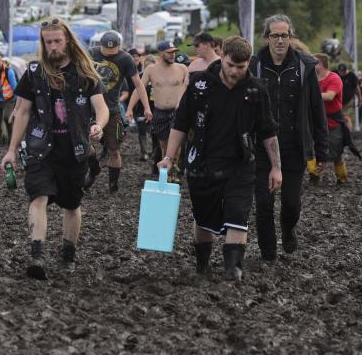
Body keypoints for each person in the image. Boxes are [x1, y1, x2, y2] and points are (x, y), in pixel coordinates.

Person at [158, 36, 280, 281]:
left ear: (249, 63)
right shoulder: (201, 83)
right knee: (204, 218)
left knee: (238, 215)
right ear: (222, 55)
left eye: (241, 67)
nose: (235, 72)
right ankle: (202, 264)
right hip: (202, 162)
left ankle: (233, 270)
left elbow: (267, 131)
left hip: (241, 164)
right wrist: (169, 157)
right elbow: (181, 123)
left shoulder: (257, 89)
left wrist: (276, 167)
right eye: (230, 65)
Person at [0, 18, 108, 277]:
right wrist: (12, 149)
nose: (53, 46)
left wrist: (99, 126)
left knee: (71, 204)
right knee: (38, 197)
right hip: (40, 148)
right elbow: (23, 112)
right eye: (48, 42)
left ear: (68, 40)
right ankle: (37, 256)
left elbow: (101, 108)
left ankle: (67, 255)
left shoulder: (85, 72)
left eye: (57, 41)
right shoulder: (34, 73)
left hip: (74, 150)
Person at [249, 15, 327, 261]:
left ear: (290, 37)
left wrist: (322, 150)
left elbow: (317, 108)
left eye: (285, 35)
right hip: (261, 147)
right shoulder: (254, 66)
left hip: (294, 146)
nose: (280, 40)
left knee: (291, 203)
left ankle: (288, 228)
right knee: (263, 203)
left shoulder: (305, 67)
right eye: (275, 35)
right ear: (267, 38)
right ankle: (268, 253)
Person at [89, 31, 151, 193]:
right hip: (87, 108)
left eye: (113, 52)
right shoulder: (90, 53)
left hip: (111, 109)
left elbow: (138, 85)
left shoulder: (126, 59)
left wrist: (146, 107)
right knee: (84, 147)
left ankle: (113, 185)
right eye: (106, 52)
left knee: (114, 150)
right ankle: (93, 168)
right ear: (100, 46)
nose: (109, 55)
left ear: (119, 47)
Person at [128, 41, 188, 176]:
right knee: (163, 146)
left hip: (176, 112)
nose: (173, 55)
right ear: (161, 53)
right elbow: (139, 89)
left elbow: (189, 88)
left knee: (176, 146)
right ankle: (165, 173)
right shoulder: (151, 70)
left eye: (174, 52)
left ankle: (173, 174)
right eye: (169, 52)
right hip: (159, 112)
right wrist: (130, 108)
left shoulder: (182, 68)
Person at [314, 53, 348, 184]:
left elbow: (329, 96)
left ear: (320, 64)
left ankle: (342, 178)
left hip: (333, 122)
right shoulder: (312, 79)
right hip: (317, 121)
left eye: (313, 63)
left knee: (336, 154)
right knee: (313, 150)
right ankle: (314, 176)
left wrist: (310, 94)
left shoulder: (334, 78)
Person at [337, 63, 361, 130]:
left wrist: (360, 99)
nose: (342, 73)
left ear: (346, 70)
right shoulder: (335, 73)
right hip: (338, 101)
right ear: (338, 70)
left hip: (348, 101)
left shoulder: (351, 75)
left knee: (346, 117)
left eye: (343, 71)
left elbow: (357, 88)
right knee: (338, 118)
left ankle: (349, 134)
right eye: (340, 71)